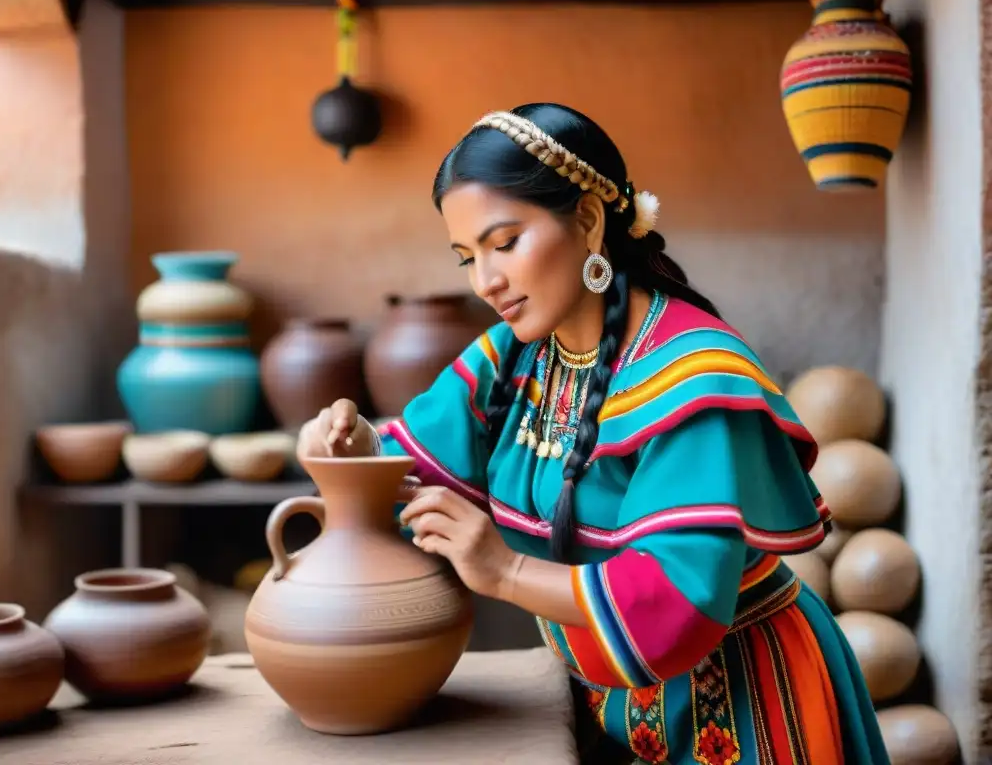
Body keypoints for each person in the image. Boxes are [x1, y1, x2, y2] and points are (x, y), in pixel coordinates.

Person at [298, 103, 889, 765]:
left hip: (751, 709)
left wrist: (507, 570)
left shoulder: (695, 382)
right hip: (610, 711)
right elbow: (406, 472)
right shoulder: (514, 359)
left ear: (587, 219)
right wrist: (346, 454)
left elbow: (677, 601)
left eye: (505, 242)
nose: (485, 281)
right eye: (467, 257)